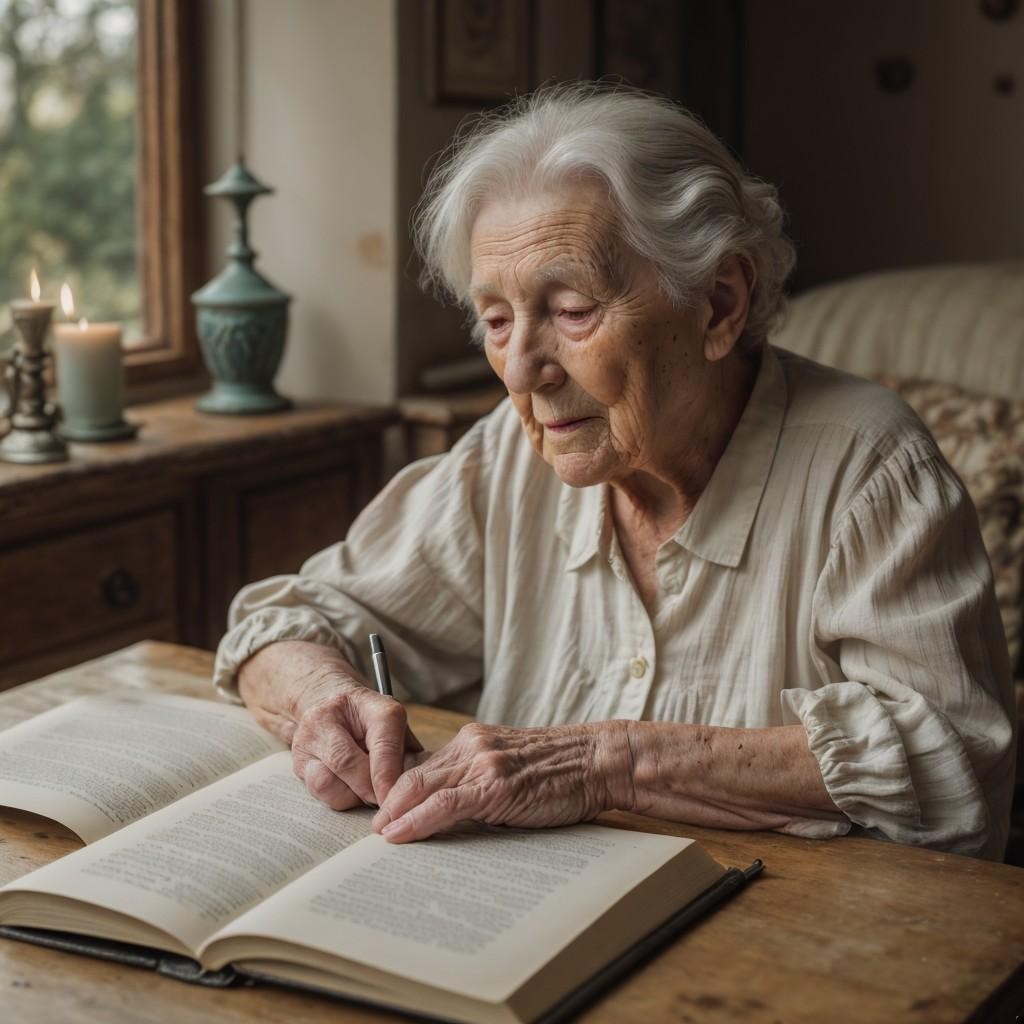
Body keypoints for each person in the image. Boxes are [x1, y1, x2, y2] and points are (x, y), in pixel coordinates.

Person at [214, 84, 1016, 860]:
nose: (522, 369)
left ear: (719, 304)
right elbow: (288, 621)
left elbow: (953, 766)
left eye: (571, 311)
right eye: (496, 320)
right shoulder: (511, 454)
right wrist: (322, 695)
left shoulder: (871, 468)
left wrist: (609, 762)